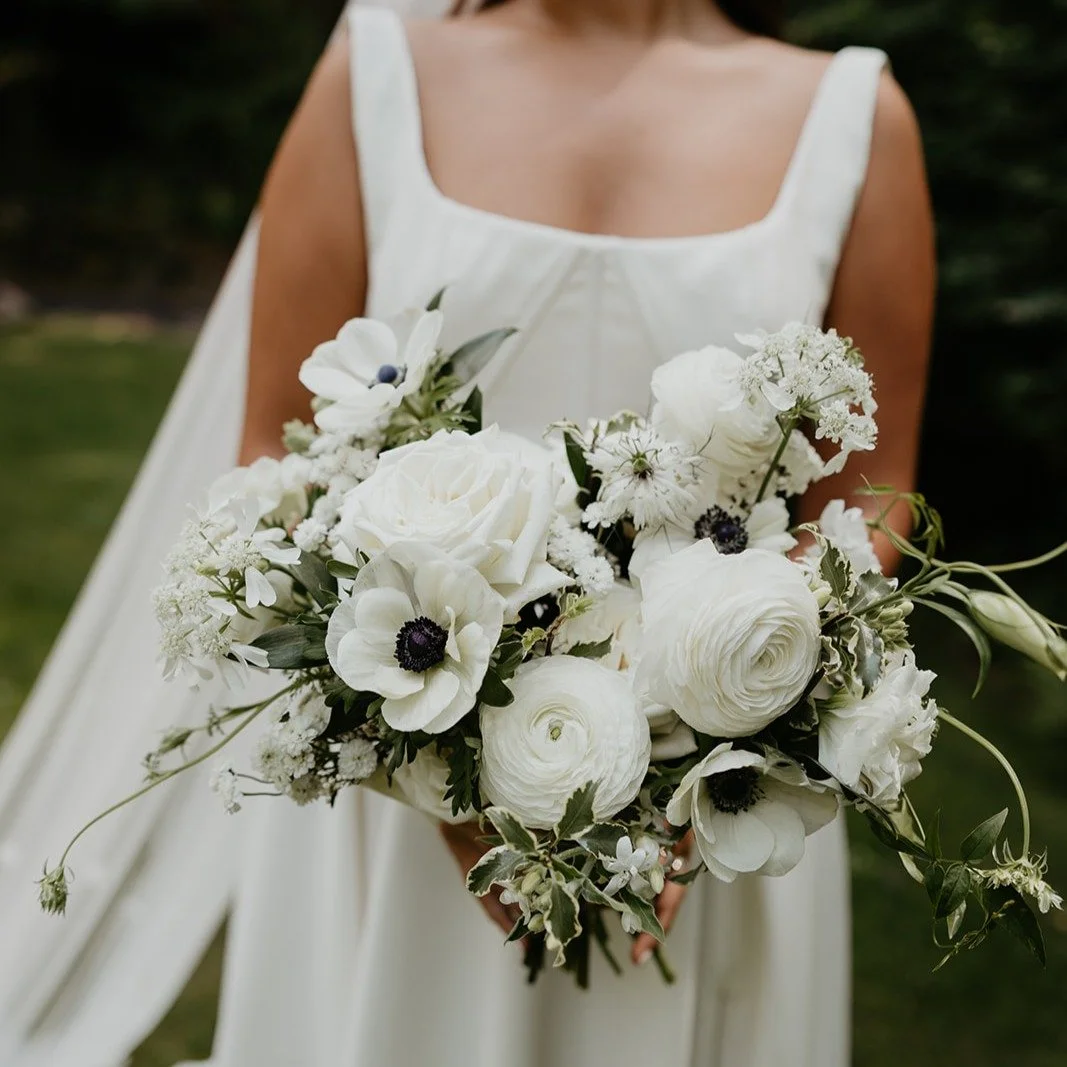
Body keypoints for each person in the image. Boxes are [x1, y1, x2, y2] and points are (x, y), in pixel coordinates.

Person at [0, 1, 933, 1064]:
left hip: (712, 818)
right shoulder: (373, 75)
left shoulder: (854, 119)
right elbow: (274, 448)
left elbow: (871, 495)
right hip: (397, 791)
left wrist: (717, 744)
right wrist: (448, 772)